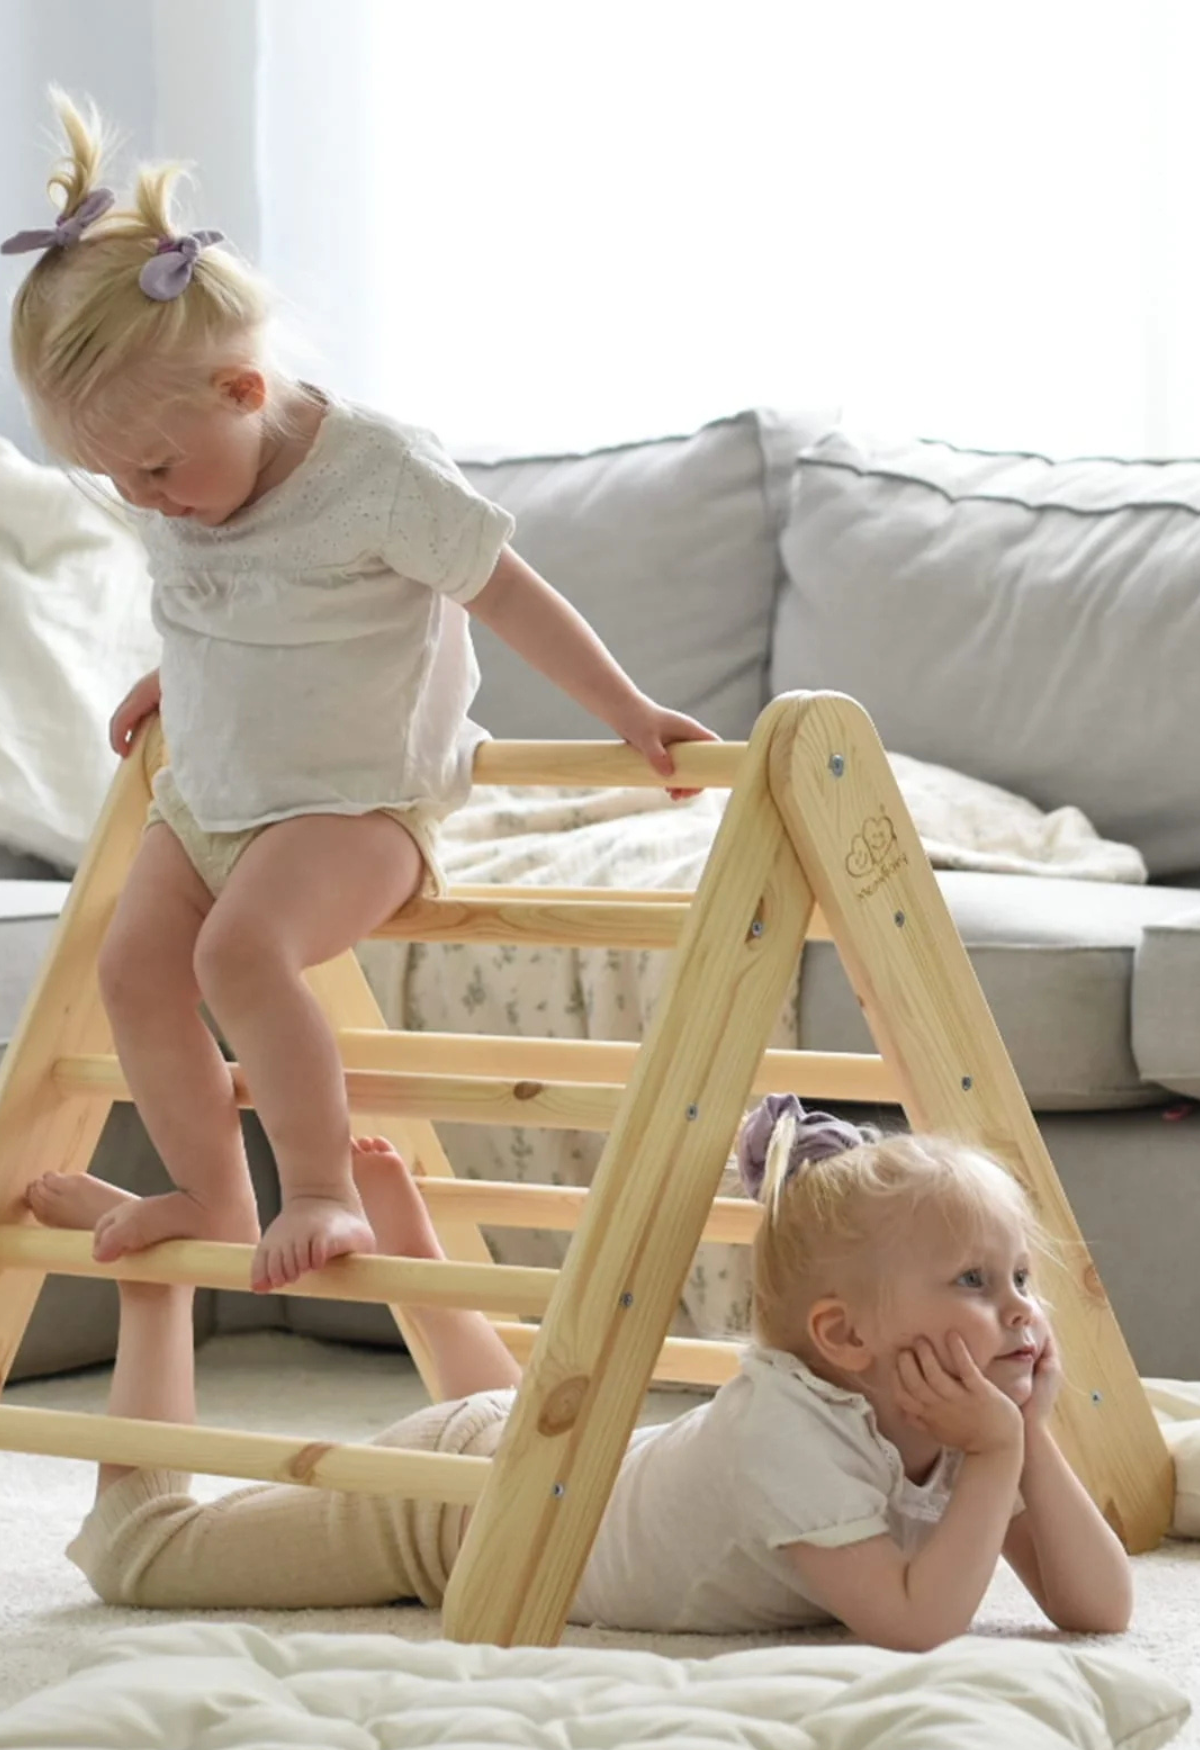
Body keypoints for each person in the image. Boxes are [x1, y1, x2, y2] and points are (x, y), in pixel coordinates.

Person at [2, 92, 716, 1295]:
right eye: (113, 478)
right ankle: (210, 1195)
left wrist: (630, 709)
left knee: (241, 956)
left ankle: (320, 1187)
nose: (147, 499)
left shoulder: (375, 477)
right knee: (134, 970)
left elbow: (507, 591)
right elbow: (226, 601)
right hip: (214, 797)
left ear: (241, 390)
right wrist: (170, 672)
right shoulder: (183, 483)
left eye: (158, 468)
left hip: (355, 806)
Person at [29, 1095, 1133, 1648]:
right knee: (145, 1561)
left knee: (506, 1416)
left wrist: (1025, 1440)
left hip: (553, 1460)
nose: (1024, 1309)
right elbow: (912, 1623)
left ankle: (422, 1268)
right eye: (978, 1282)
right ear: (845, 1340)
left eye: (1021, 1276)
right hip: (461, 1516)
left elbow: (1098, 1609)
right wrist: (997, 1456)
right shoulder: (786, 1434)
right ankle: (152, 1287)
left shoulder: (963, 1419)